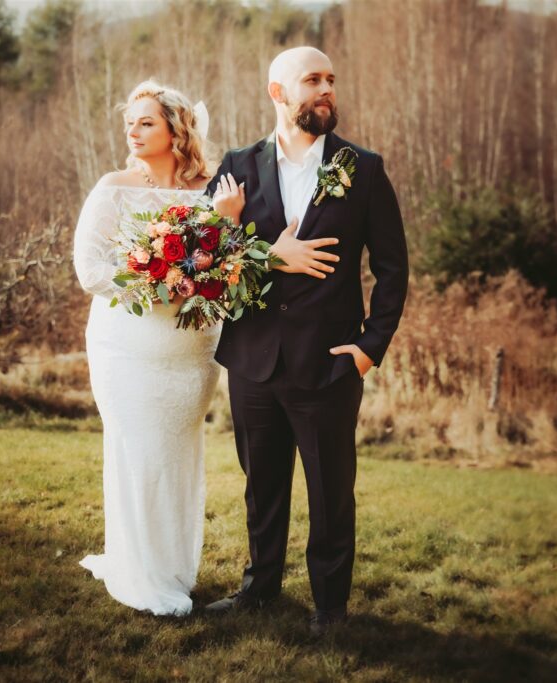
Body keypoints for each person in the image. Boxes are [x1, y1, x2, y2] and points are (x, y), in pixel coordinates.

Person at [205, 46, 409, 636]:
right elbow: (202, 261)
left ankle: (330, 607)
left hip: (330, 363)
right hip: (253, 361)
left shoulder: (363, 168)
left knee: (330, 492)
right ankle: (260, 589)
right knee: (261, 485)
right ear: (278, 93)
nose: (326, 90)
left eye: (331, 80)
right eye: (312, 80)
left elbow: (392, 267)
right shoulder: (236, 165)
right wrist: (264, 247)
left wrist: (372, 345)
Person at [72, 81, 225, 616]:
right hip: (126, 347)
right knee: (136, 453)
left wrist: (209, 259)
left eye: (145, 123)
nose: (132, 132)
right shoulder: (113, 187)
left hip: (192, 351)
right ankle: (139, 572)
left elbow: (231, 259)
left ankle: (174, 571)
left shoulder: (214, 190)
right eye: (129, 124)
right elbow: (89, 270)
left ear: (176, 130)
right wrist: (155, 283)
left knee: (177, 458)